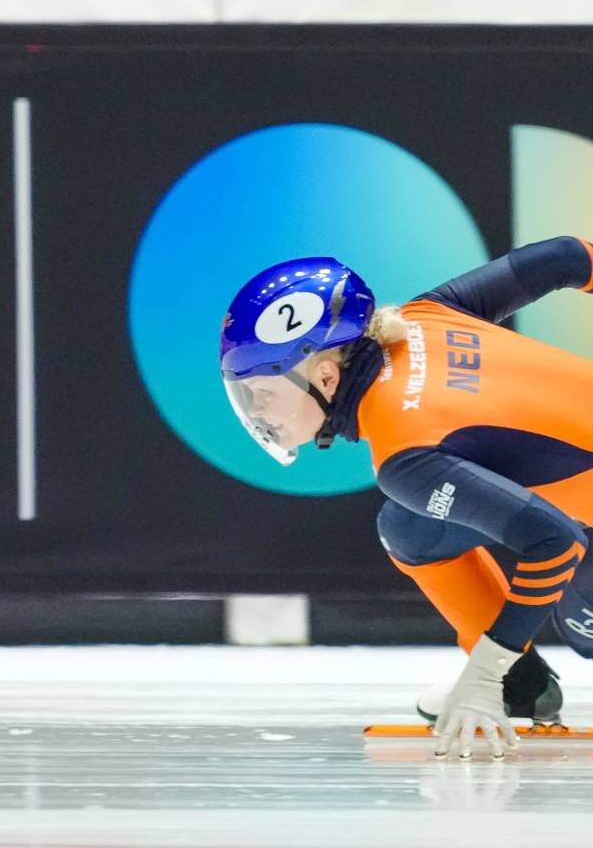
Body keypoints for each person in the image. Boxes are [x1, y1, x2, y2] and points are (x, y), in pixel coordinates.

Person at [220, 236, 593, 759]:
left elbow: (556, 544)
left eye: (262, 389)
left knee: (585, 630)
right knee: (409, 525)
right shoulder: (429, 314)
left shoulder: (406, 455)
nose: (258, 410)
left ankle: (498, 679)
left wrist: (483, 674)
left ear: (326, 374)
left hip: (578, 523)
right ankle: (521, 685)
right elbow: (569, 256)